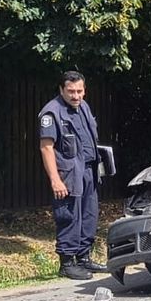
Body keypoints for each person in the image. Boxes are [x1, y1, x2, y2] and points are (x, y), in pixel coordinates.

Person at [39, 71, 104, 280]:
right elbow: (46, 147)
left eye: (79, 91)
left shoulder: (84, 107)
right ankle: (67, 263)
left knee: (89, 214)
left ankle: (84, 258)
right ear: (61, 90)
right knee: (68, 216)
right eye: (71, 91)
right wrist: (55, 180)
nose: (76, 96)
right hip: (67, 173)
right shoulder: (52, 113)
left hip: (88, 169)